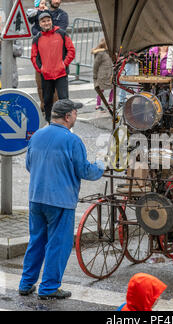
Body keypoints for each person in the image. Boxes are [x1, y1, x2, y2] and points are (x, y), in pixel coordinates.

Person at [18, 99, 105, 300]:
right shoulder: (72, 140)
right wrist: (100, 165)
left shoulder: (38, 135)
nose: (76, 116)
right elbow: (84, 170)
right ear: (68, 117)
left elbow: (30, 165)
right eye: (75, 113)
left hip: (36, 198)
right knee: (58, 244)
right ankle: (48, 288)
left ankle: (26, 283)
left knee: (37, 240)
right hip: (60, 201)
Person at [31, 12, 75, 123]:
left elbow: (71, 50)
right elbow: (34, 57)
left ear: (51, 21)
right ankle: (49, 121)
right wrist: (41, 69)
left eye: (48, 20)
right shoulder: (37, 39)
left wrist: (64, 64)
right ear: (40, 24)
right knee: (47, 101)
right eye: (43, 21)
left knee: (64, 99)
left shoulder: (62, 34)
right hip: (46, 75)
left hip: (61, 73)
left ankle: (67, 121)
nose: (46, 23)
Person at [91, 38, 113, 111]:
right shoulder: (100, 54)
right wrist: (95, 76)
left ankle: (110, 101)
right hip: (102, 75)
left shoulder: (109, 52)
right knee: (100, 90)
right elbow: (95, 65)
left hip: (109, 74)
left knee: (113, 88)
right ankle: (98, 104)